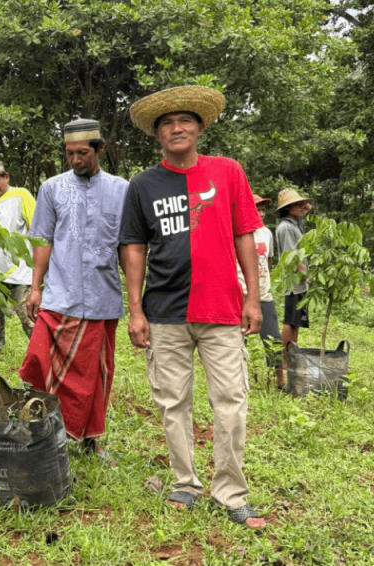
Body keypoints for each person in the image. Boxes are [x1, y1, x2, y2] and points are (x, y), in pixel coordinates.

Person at [119, 86, 266, 529]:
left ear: (200, 127)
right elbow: (133, 247)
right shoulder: (143, 184)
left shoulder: (228, 172)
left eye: (184, 121)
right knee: (172, 402)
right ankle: (185, 483)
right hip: (164, 311)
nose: (176, 128)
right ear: (157, 135)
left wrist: (253, 298)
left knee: (231, 402)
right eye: (166, 123)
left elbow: (245, 235)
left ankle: (230, 492)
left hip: (221, 308)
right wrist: (135, 310)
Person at [19, 119, 129, 460]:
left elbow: (129, 246)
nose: (76, 160)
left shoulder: (122, 189)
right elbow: (42, 239)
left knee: (97, 374)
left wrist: (138, 300)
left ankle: (91, 440)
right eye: (69, 154)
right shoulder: (51, 188)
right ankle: (47, 432)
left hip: (103, 296)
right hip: (59, 295)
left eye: (83, 153)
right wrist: (35, 287)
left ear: (100, 150)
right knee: (41, 361)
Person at [0, 160, 36, 356]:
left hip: (22, 270)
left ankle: (44, 354)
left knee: (28, 317)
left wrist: (41, 269)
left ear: (6, 177)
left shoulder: (21, 196)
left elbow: (36, 231)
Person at [237, 194, 284, 389]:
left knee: (273, 338)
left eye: (263, 209)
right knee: (238, 339)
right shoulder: (236, 233)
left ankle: (280, 381)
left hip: (263, 294)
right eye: (257, 208)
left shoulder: (266, 233)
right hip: (240, 294)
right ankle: (241, 380)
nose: (261, 213)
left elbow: (269, 259)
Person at [275, 188, 312, 375]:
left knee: (296, 322)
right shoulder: (287, 227)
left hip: (300, 283)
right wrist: (309, 276)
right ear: (288, 208)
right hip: (294, 283)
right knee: (290, 322)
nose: (303, 207)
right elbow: (294, 259)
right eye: (297, 205)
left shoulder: (296, 223)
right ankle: (283, 363)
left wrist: (305, 204)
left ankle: (291, 359)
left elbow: (309, 207)